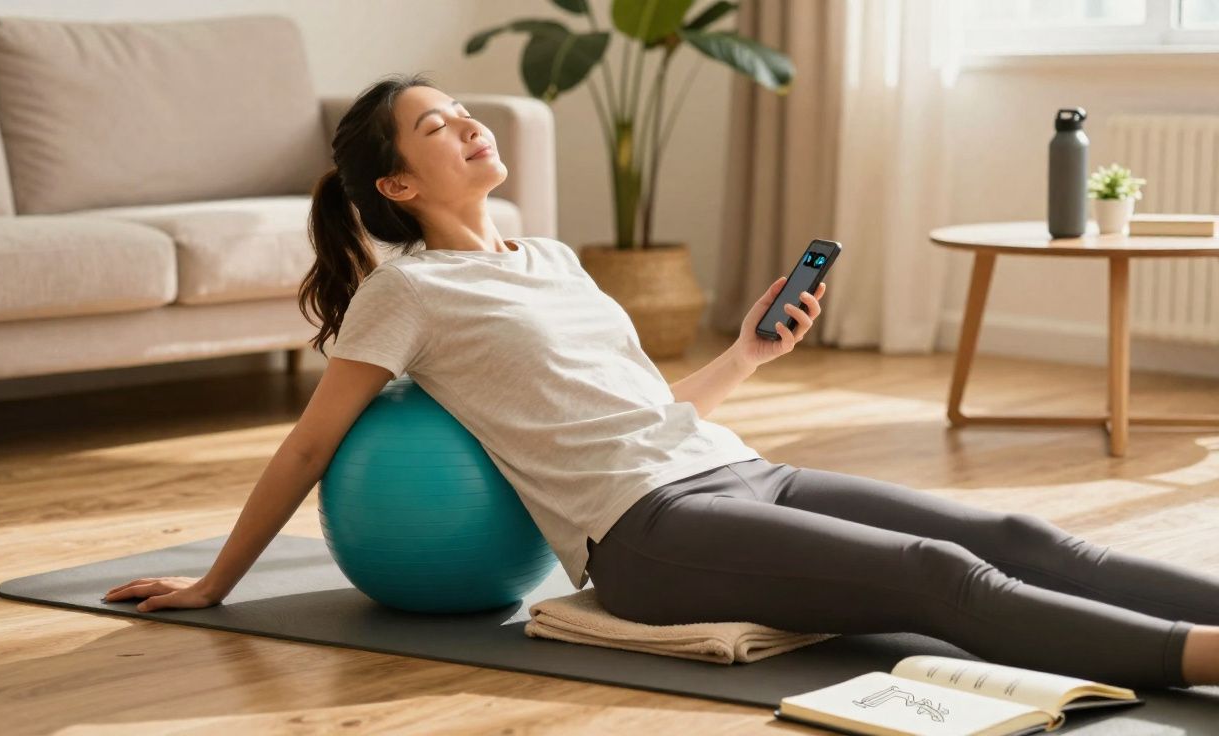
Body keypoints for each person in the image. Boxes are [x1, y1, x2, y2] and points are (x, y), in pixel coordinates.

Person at [103, 73, 1219, 690]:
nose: (469, 122)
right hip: (647, 535)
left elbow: (641, 411)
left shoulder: (547, 254)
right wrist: (213, 582)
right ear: (396, 180)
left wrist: (748, 352)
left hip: (735, 472)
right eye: (436, 124)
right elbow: (309, 444)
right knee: (936, 575)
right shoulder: (409, 293)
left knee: (1018, 529)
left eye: (463, 107)